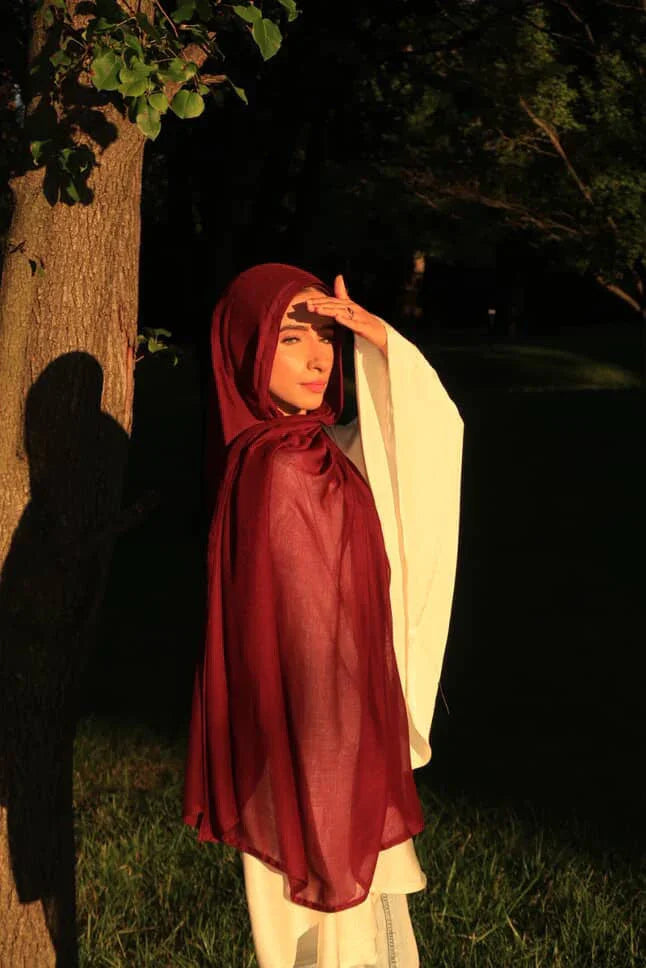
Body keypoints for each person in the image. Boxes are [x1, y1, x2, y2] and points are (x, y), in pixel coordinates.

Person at [183, 263, 464, 968]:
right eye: (289, 338)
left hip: (341, 746)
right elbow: (303, 653)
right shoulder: (281, 470)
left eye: (326, 338)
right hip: (312, 762)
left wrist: (378, 341)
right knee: (326, 941)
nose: (317, 358)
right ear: (246, 349)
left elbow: (426, 452)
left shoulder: (314, 451)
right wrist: (334, 784)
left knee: (345, 941)